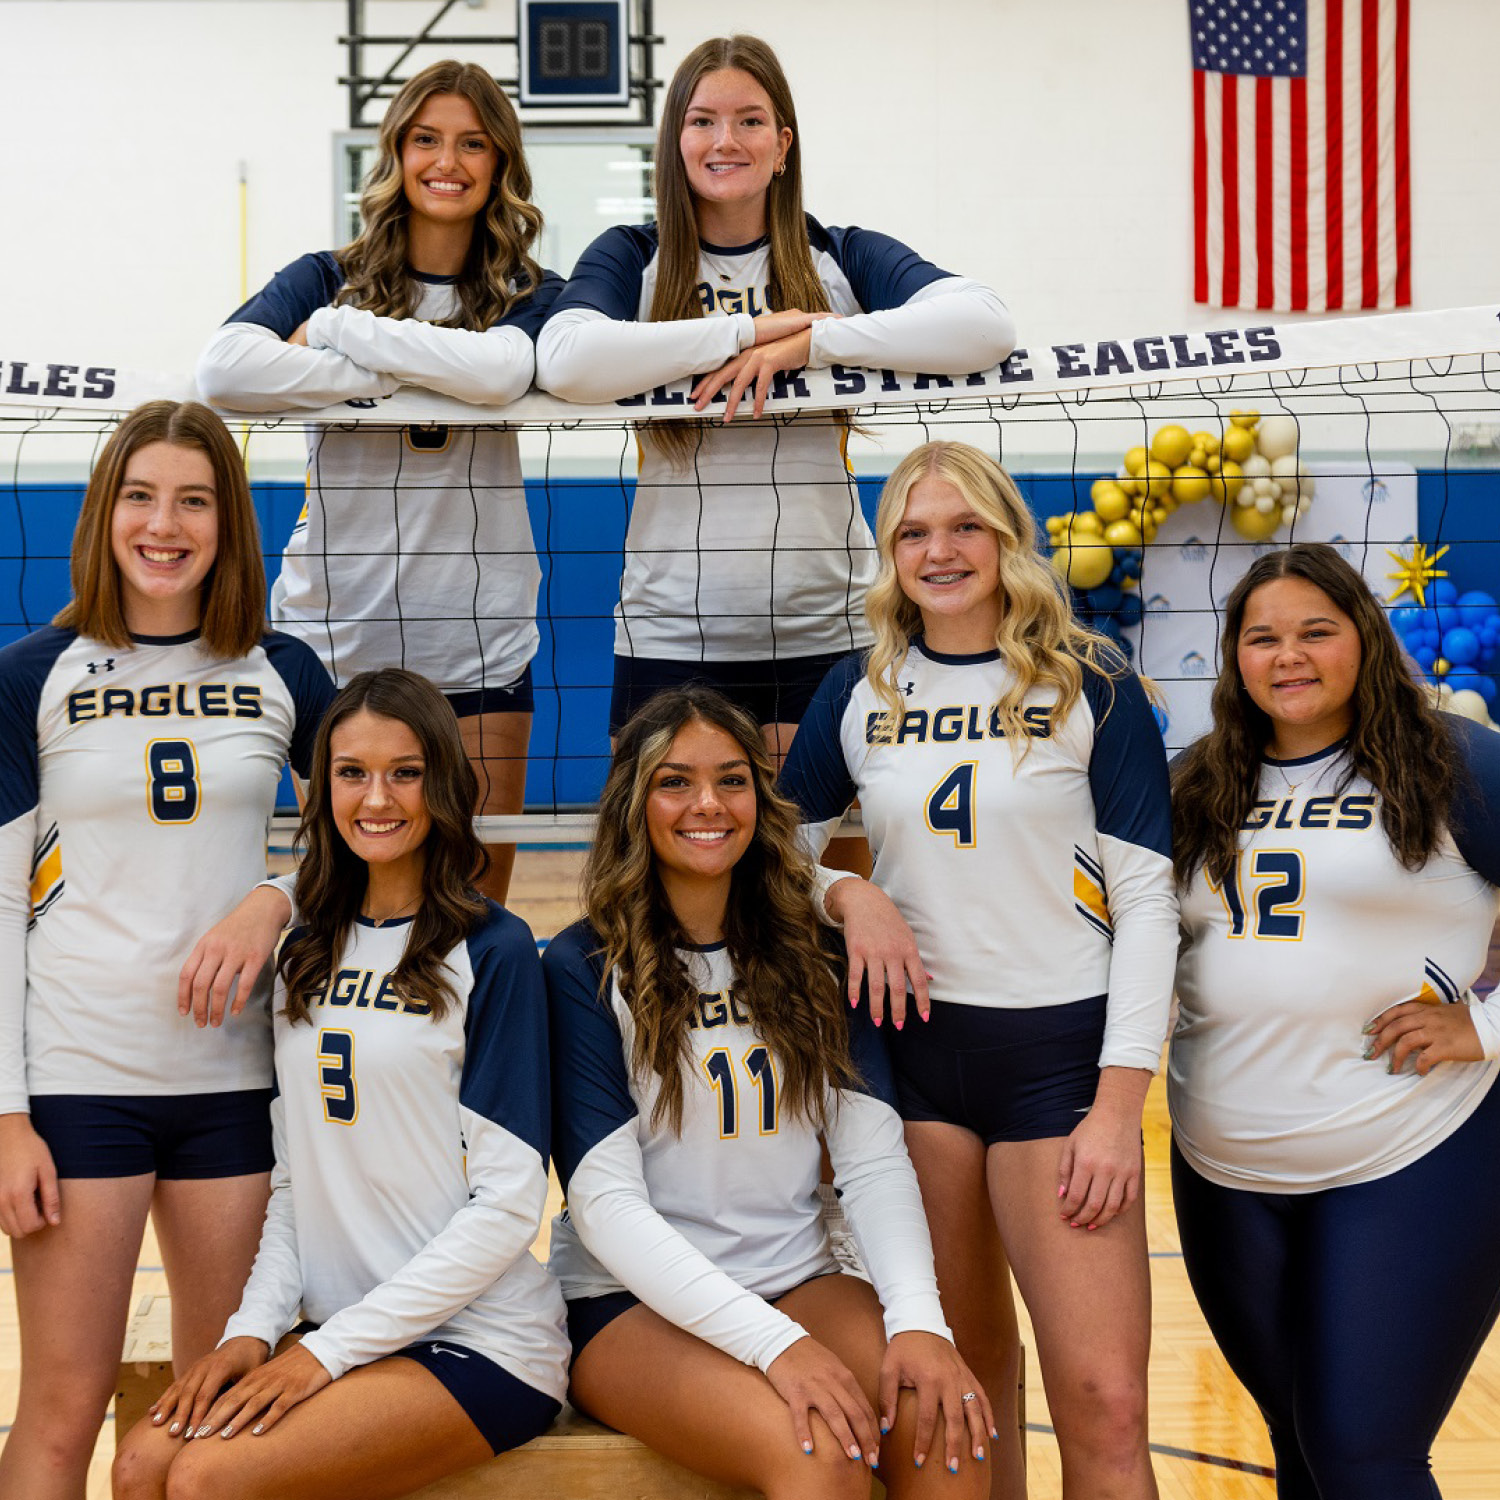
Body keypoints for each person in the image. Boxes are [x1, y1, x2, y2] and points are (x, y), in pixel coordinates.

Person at [779, 440, 1176, 1500]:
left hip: (1057, 1065)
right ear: (889, 553)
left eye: (965, 527)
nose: (940, 551)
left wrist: (1118, 1105)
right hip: (914, 1064)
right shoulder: (858, 689)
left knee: (1106, 1404)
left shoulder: (1092, 683)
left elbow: (1147, 905)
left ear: (1007, 540)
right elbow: (777, 852)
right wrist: (848, 893)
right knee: (966, 1395)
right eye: (914, 531)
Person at [112, 667, 568, 1500]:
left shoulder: (495, 950)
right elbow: (296, 1184)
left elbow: (507, 1207)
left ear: (444, 782)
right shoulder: (304, 950)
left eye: (405, 771)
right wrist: (252, 1331)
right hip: (341, 1330)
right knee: (141, 1465)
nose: (376, 797)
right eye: (351, 772)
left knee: (207, 1479)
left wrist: (322, 1354)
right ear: (323, 788)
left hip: (479, 1338)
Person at [0, 400, 333, 1500]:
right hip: (78, 1080)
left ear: (228, 524)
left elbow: (375, 835)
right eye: (141, 496)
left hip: (236, 1083)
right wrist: (5, 1116)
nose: (165, 524)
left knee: (220, 1409)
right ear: (104, 513)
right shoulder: (28, 675)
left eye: (194, 500)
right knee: (60, 1411)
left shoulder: (285, 667)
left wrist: (272, 900)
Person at [545, 685, 994, 1500]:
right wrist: (774, 1345)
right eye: (674, 782)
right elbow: (608, 1210)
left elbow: (872, 1160)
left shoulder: (816, 954)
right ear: (634, 804)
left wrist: (920, 1323)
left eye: (733, 779)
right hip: (629, 1303)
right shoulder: (582, 965)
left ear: (762, 797)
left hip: (800, 1277)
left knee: (946, 1431)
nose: (707, 804)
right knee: (819, 1460)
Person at [535, 34, 1016, 782]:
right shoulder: (634, 256)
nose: (726, 140)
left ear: (782, 144)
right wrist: (748, 330)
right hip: (672, 634)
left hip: (830, 625)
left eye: (750, 120)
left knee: (831, 871)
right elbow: (565, 358)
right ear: (675, 140)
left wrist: (813, 347)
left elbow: (986, 324)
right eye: (703, 121)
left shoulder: (837, 256)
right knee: (675, 867)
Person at [1169, 543, 1500, 1500]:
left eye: (1317, 630)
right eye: (1262, 637)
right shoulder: (1197, 780)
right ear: (1235, 656)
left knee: (1365, 1455)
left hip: (1414, 1152)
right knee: (1304, 1448)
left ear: (1366, 635)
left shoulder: (1450, 760)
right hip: (1225, 1168)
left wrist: (1483, 1028)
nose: (1290, 656)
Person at [197, 59, 561, 904]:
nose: (449, 160)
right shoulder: (327, 273)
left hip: (479, 635)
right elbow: (221, 370)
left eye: (474, 143)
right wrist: (380, 375)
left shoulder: (529, 293)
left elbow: (504, 371)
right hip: (337, 630)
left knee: (477, 908)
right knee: (345, 897)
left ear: (501, 163)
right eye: (426, 138)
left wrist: (333, 339)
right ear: (395, 151)